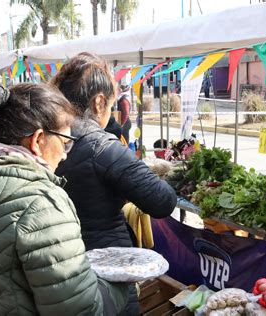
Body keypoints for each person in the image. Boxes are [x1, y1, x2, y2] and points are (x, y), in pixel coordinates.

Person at [0, 67, 127, 315]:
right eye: (65, 143)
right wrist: (118, 286)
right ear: (38, 140)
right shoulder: (41, 204)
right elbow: (80, 310)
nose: (64, 155)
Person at [51, 52, 177, 315]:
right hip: (106, 272)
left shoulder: (44, 139)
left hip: (58, 270)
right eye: (111, 104)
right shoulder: (101, 146)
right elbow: (163, 200)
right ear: (98, 102)